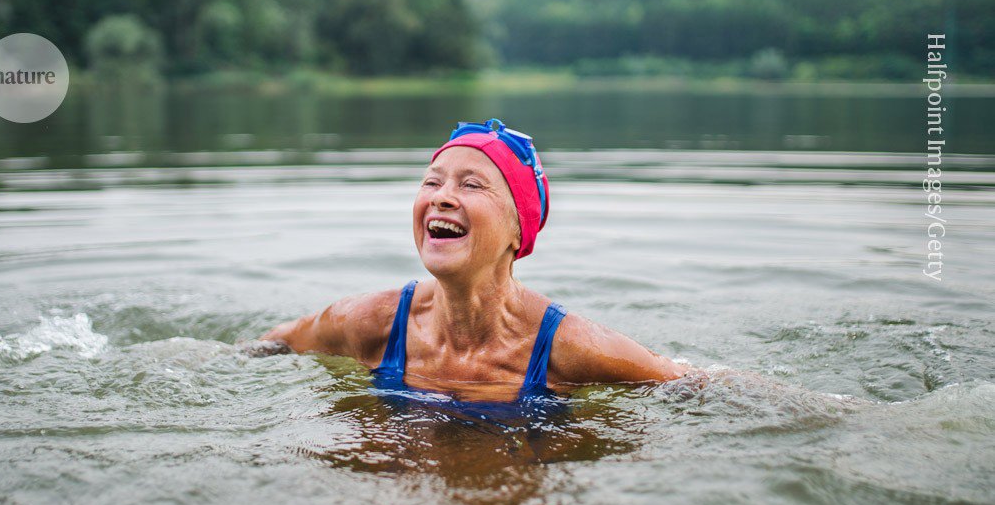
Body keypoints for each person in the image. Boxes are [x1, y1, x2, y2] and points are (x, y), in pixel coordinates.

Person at [259, 118, 695, 403]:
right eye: (432, 182)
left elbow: (693, 383)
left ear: (518, 231)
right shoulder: (371, 321)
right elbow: (273, 344)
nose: (442, 197)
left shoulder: (569, 347)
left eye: (471, 185)